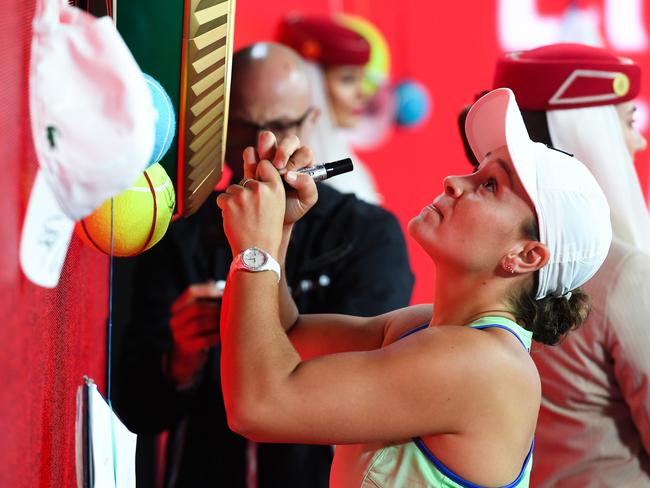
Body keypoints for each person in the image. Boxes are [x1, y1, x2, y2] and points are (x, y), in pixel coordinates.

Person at [215, 87, 612, 487]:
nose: (455, 181)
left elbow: (258, 406)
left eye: (490, 185)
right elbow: (286, 337)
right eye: (476, 169)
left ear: (527, 256)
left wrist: (256, 248)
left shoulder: (484, 364)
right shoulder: (427, 330)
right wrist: (279, 229)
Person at [114, 42, 414, 488]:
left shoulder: (367, 235)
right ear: (221, 127)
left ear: (312, 122)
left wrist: (261, 264)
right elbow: (132, 406)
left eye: (277, 126)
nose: (261, 144)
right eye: (245, 126)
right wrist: (180, 361)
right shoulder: (181, 232)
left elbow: (354, 387)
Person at [481, 43, 650, 486]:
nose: (639, 139)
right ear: (589, 134)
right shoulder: (622, 274)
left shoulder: (479, 257)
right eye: (628, 123)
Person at [279, 14, 382, 204]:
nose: (363, 94)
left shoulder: (347, 157)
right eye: (348, 79)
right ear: (311, 84)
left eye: (363, 79)